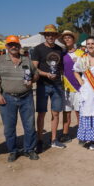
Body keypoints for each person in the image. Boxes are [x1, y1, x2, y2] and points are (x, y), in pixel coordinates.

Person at [0, 35, 39, 162]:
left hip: (26, 97)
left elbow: (36, 75)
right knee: (9, 127)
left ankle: (29, 149)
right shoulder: (0, 60)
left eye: (16, 45)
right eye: (11, 45)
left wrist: (32, 81)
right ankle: (12, 150)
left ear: (19, 46)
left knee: (29, 126)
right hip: (8, 98)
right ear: (6, 46)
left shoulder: (26, 60)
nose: (13, 47)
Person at [31, 24, 65, 152]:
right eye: (48, 35)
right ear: (45, 36)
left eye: (53, 34)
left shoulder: (59, 49)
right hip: (43, 85)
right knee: (41, 114)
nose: (50, 36)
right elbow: (34, 68)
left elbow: (61, 67)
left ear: (56, 36)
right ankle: (39, 140)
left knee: (55, 113)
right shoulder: (37, 49)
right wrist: (46, 74)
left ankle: (54, 139)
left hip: (57, 85)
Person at [58, 30, 81, 143]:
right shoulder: (61, 54)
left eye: (69, 37)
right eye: (64, 38)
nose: (67, 39)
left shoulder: (81, 53)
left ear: (73, 39)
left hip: (79, 88)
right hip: (66, 87)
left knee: (79, 112)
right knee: (66, 112)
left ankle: (82, 133)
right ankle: (65, 134)